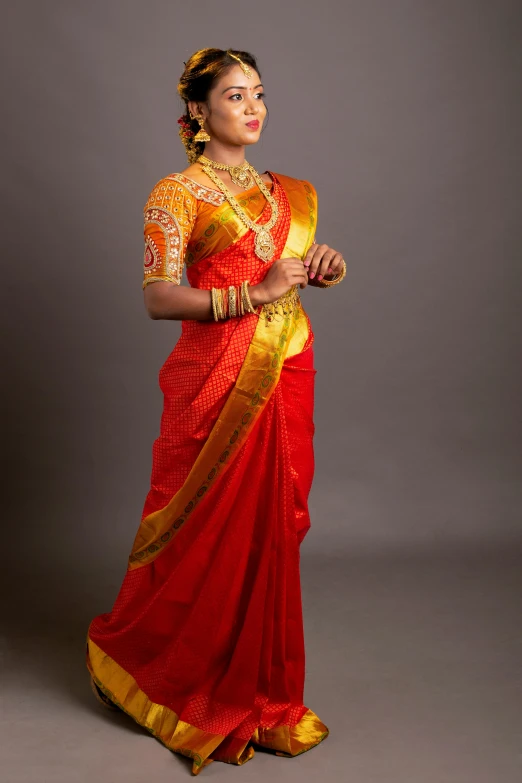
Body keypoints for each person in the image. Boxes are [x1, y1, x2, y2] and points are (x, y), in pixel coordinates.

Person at [86, 47, 346, 776]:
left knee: (277, 521)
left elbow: (281, 276)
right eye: (235, 96)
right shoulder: (175, 194)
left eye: (259, 93)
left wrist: (319, 266)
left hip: (285, 367)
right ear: (199, 111)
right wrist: (252, 295)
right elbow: (157, 296)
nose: (254, 107)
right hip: (213, 379)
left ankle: (261, 688)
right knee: (200, 525)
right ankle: (173, 675)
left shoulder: (283, 192)